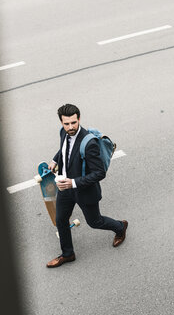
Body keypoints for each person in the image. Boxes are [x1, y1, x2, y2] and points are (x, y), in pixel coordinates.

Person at [46, 104, 128, 268]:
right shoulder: (63, 132)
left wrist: (73, 183)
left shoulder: (88, 143)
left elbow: (99, 173)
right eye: (66, 123)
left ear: (79, 119)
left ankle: (120, 226)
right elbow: (64, 148)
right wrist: (55, 160)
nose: (70, 127)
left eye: (74, 123)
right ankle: (68, 254)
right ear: (61, 123)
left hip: (84, 189)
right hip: (65, 187)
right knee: (61, 219)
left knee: (95, 221)